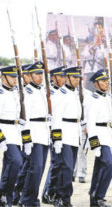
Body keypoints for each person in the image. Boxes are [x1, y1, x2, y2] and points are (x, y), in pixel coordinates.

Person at [20, 61, 50, 207]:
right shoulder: (28, 92)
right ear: (30, 76)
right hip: (34, 135)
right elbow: (25, 118)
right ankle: (28, 200)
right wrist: (26, 139)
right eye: (37, 74)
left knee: (39, 170)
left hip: (44, 134)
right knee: (35, 169)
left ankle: (31, 199)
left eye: (41, 74)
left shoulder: (42, 91)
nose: (40, 77)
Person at [52, 66, 82, 207]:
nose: (77, 80)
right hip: (64, 135)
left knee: (70, 169)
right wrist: (57, 138)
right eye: (74, 77)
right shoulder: (61, 94)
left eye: (78, 78)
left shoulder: (75, 93)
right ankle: (60, 197)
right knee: (66, 168)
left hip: (74, 135)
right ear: (67, 77)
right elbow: (56, 118)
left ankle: (65, 198)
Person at [87, 69, 112, 207]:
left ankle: (94, 197)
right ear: (96, 84)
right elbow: (90, 123)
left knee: (100, 167)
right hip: (98, 136)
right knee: (110, 165)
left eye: (107, 80)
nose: (106, 83)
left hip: (107, 135)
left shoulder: (107, 97)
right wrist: (95, 144)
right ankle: (99, 196)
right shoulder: (93, 99)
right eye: (103, 81)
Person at [42, 66, 65, 205]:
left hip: (63, 132)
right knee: (56, 164)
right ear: (53, 78)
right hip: (51, 132)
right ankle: (47, 193)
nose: (63, 79)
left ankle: (54, 192)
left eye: (64, 76)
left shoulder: (64, 93)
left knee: (61, 164)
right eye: (60, 76)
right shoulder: (48, 94)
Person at [0, 66, 23, 207]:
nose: (15, 79)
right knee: (16, 161)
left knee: (10, 165)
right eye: (12, 77)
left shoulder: (16, 93)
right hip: (4, 132)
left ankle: (5, 198)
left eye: (16, 77)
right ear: (3, 77)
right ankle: (3, 190)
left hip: (16, 132)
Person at [12, 64, 32, 205]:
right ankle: (14, 192)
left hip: (26, 133)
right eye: (27, 75)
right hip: (15, 133)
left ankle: (18, 192)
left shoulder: (27, 92)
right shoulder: (16, 92)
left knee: (27, 163)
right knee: (19, 164)